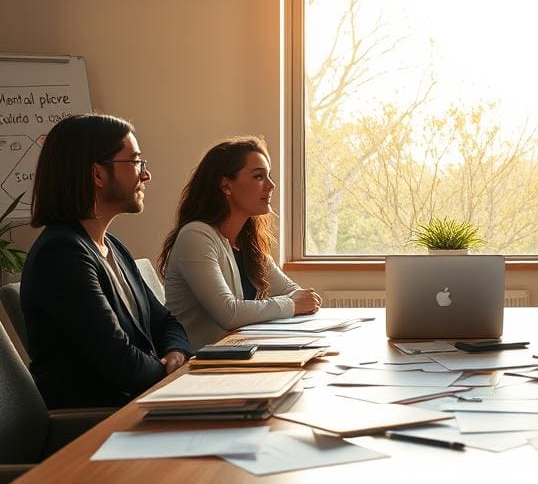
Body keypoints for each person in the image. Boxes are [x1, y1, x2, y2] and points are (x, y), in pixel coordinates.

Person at [21, 114, 192, 409]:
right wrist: (173, 376)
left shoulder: (111, 246)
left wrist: (176, 352)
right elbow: (121, 363)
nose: (146, 175)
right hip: (97, 424)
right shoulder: (61, 254)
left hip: (134, 405)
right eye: (136, 162)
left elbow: (165, 321)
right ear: (97, 175)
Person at [159, 136, 321, 351]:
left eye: (269, 176)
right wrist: (291, 304)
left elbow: (292, 291)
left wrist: (296, 301)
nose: (271, 185)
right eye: (258, 177)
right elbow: (229, 313)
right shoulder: (196, 236)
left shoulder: (246, 240)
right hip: (196, 368)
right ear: (226, 185)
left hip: (235, 357)